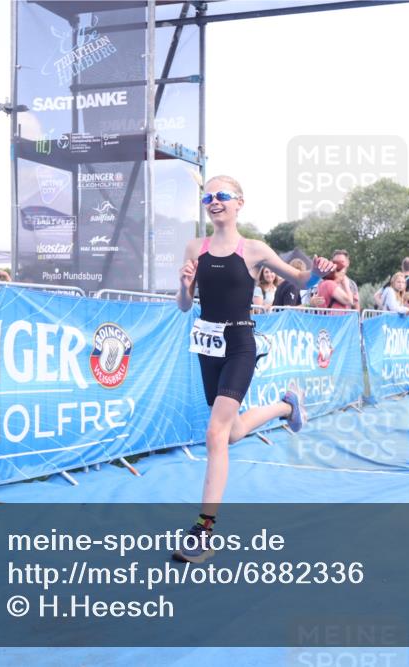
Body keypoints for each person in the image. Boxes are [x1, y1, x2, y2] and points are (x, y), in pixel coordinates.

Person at [175, 175, 335, 563]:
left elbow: (298, 278)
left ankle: (203, 530)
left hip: (240, 346)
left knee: (215, 433)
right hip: (206, 346)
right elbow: (182, 305)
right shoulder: (195, 247)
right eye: (208, 196)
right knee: (230, 434)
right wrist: (183, 286)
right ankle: (286, 406)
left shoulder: (254, 249)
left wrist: (318, 270)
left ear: (239, 203)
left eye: (222, 196)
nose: (214, 201)